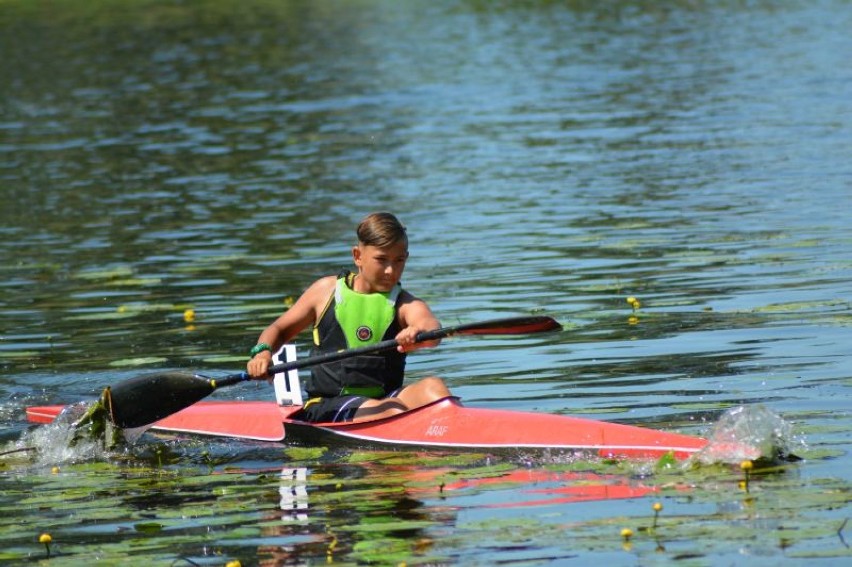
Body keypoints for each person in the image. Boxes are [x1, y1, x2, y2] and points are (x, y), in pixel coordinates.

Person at [246, 212, 452, 423]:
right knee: (391, 410)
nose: (391, 271)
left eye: (399, 260)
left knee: (436, 389)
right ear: (357, 256)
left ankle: (458, 428)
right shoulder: (325, 291)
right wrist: (262, 353)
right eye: (381, 260)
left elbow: (431, 328)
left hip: (386, 400)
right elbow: (278, 329)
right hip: (327, 404)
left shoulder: (404, 303)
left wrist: (419, 333)